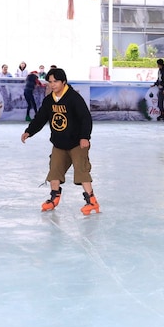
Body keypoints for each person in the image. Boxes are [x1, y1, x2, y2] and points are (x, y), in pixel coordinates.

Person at [21, 68, 100, 216]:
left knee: (81, 171)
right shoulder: (49, 100)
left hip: (77, 143)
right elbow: (40, 118)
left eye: (55, 82)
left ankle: (92, 201)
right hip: (59, 144)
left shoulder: (73, 98)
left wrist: (85, 137)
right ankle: (54, 198)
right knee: (54, 171)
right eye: (50, 82)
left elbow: (85, 118)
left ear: (63, 82)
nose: (52, 85)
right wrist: (29, 131)